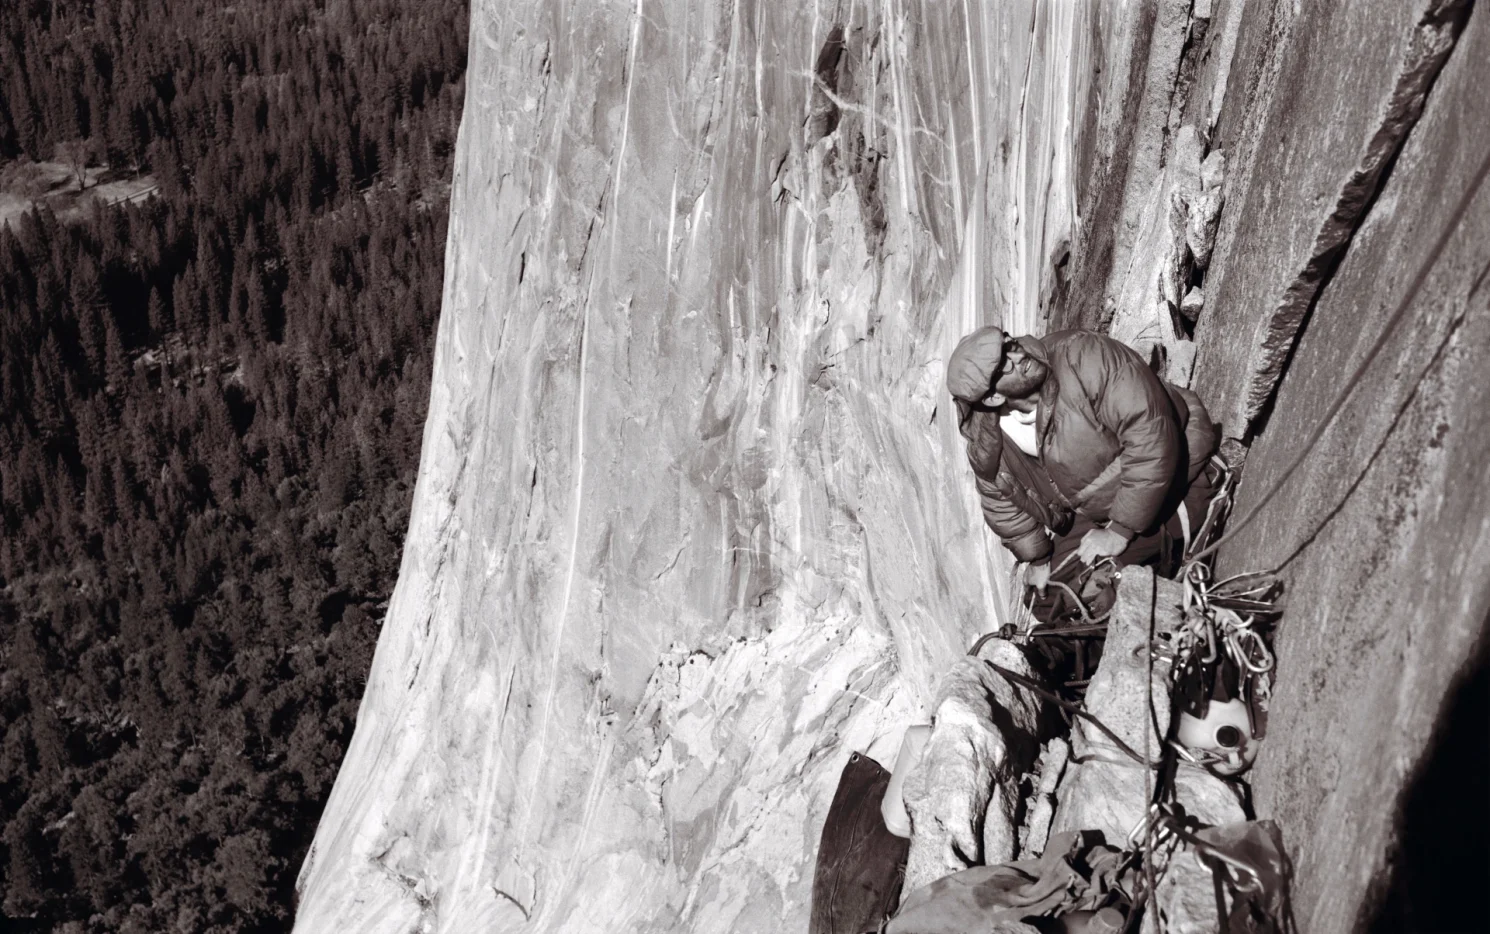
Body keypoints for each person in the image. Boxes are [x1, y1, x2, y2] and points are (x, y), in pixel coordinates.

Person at [946, 326, 1219, 623]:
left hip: (1175, 468)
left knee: (1105, 588)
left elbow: (1151, 435)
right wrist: (1037, 557)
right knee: (1046, 600)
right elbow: (1000, 502)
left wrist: (1119, 531)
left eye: (1008, 344)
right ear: (992, 399)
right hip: (1095, 507)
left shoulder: (1082, 357)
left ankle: (1207, 494)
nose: (1017, 354)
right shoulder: (990, 443)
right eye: (1002, 364)